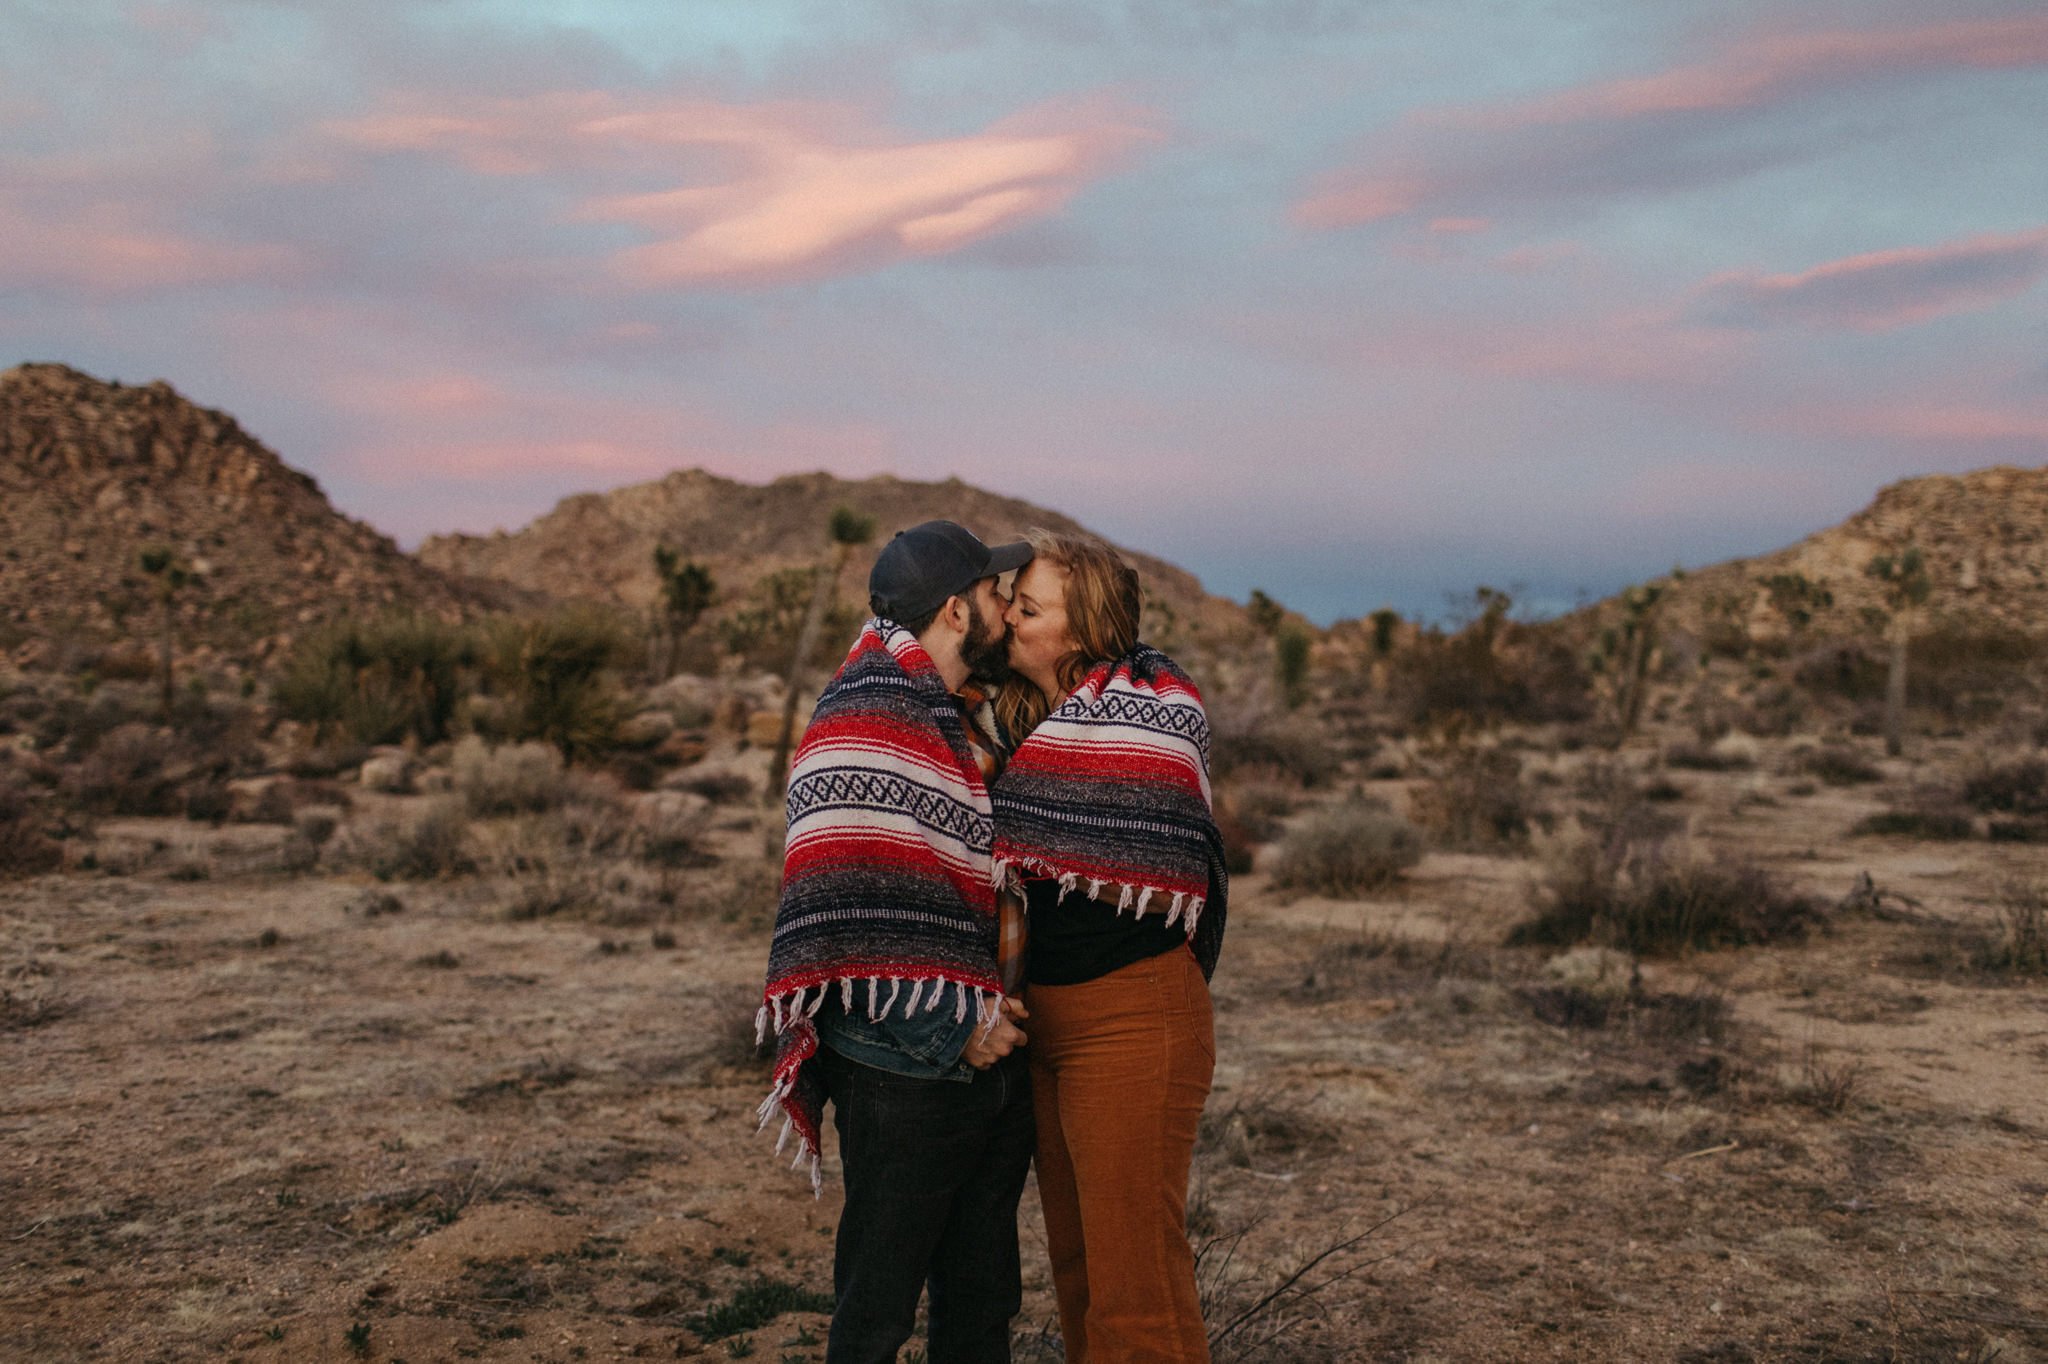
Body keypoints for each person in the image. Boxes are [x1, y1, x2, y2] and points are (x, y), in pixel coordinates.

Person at [757, 519, 1038, 1364]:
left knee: (983, 1303)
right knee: (877, 1309)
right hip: (904, 1067)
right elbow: (848, 893)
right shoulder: (870, 712)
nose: (1010, 610)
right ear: (958, 611)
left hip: (991, 1053)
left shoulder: (957, 718)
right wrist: (954, 1027)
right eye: (997, 594)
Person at [989, 529, 1228, 1364]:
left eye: (1028, 609)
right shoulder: (1016, 722)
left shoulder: (1154, 715)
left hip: (1134, 1019)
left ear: (1083, 629)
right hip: (1045, 1026)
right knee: (1082, 1273)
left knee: (1138, 1289)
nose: (1008, 621)